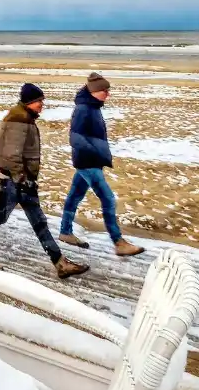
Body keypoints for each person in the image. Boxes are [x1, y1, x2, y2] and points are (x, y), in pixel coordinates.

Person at [0, 83, 90, 279]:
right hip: (16, 182)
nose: (41, 105)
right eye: (39, 101)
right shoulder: (19, 120)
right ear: (29, 102)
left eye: (42, 101)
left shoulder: (24, 118)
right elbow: (11, 155)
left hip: (22, 181)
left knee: (38, 222)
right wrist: (21, 178)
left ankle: (60, 263)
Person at [57, 72, 145, 256]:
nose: (108, 94)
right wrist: (94, 152)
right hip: (88, 163)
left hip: (88, 162)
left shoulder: (93, 107)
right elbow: (75, 138)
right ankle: (118, 242)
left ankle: (65, 231)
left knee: (74, 196)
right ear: (94, 91)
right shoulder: (84, 109)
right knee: (108, 199)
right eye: (104, 90)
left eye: (108, 90)